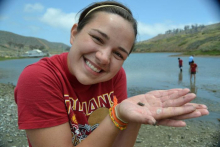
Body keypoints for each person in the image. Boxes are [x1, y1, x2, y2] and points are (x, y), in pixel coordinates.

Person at [14, 1, 209, 147]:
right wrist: (117, 117)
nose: (104, 58)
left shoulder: (116, 75)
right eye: (97, 38)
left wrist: (133, 118)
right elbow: (116, 119)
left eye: (118, 53)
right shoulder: (39, 78)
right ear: (74, 33)